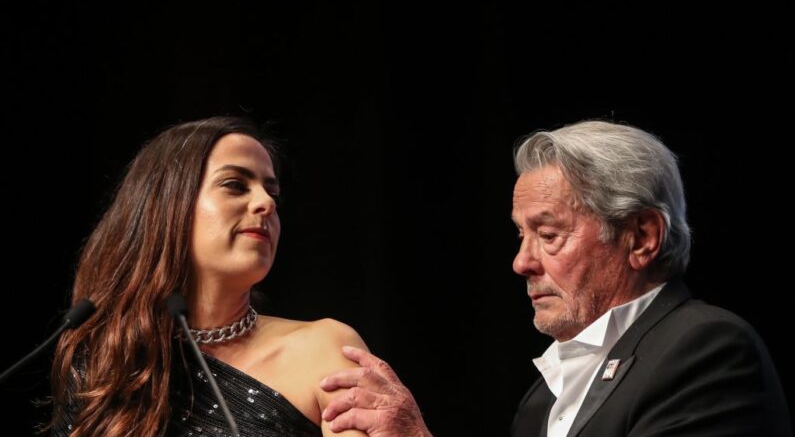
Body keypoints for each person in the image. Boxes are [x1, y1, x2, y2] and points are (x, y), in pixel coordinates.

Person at [319, 120, 792, 436]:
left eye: (548, 234)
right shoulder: (542, 398)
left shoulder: (707, 348)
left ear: (642, 237)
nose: (522, 262)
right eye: (520, 235)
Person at [49, 117, 368, 437]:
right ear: (169, 206)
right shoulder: (106, 362)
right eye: (235, 185)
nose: (266, 203)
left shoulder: (325, 350)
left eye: (273, 193)